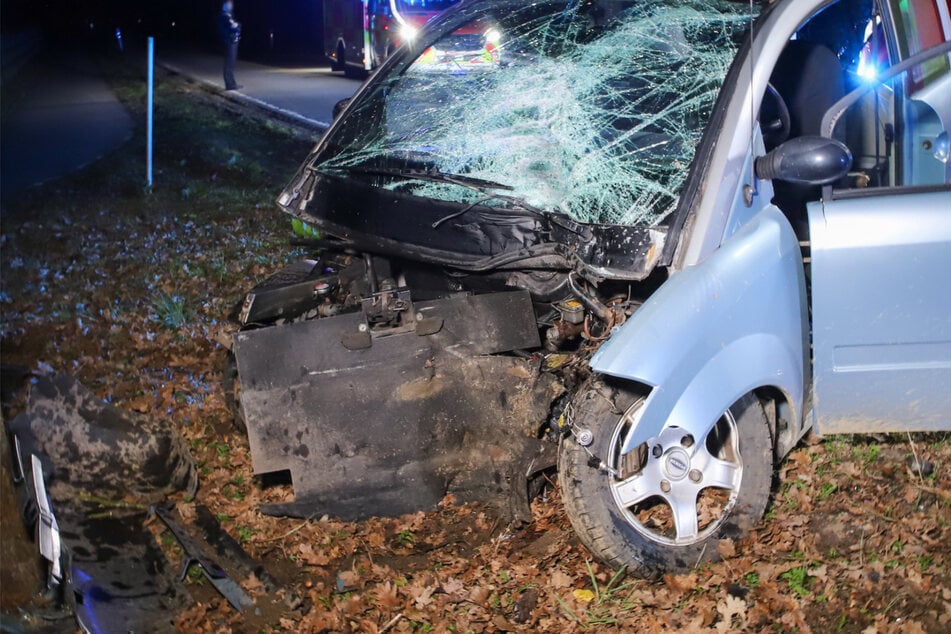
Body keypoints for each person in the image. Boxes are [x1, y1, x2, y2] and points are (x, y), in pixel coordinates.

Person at [218, 1, 242, 90]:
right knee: (229, 63)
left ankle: (232, 83)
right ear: (224, 5)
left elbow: (237, 25)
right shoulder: (224, 16)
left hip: (233, 40)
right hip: (229, 41)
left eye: (231, 4)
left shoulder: (229, 15)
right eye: (228, 4)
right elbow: (232, 26)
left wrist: (236, 26)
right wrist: (235, 26)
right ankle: (229, 84)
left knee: (232, 62)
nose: (230, 6)